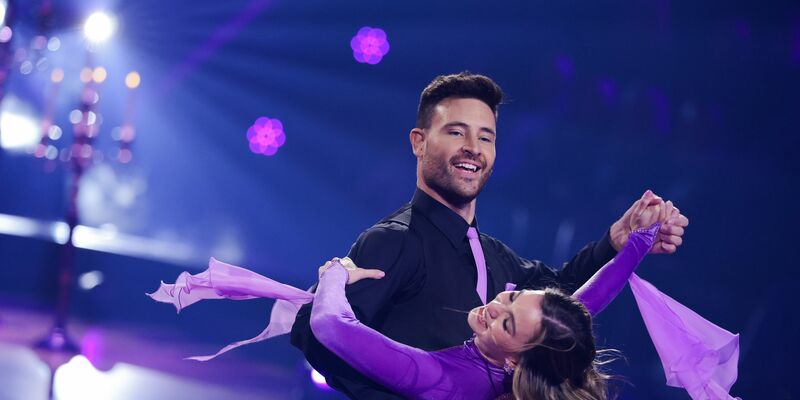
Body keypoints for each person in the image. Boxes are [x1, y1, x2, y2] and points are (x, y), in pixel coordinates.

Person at [290, 72, 689, 398]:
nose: (472, 149)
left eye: (485, 137)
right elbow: (317, 335)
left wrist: (618, 243)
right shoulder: (395, 240)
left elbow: (562, 305)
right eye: (456, 132)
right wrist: (410, 387)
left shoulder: (494, 256)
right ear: (419, 142)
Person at [148, 198, 662, 399]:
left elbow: (330, 328)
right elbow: (590, 297)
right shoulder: (550, 341)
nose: (495, 308)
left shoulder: (448, 381)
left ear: (518, 361)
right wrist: (636, 241)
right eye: (514, 298)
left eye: (506, 325)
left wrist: (334, 275)